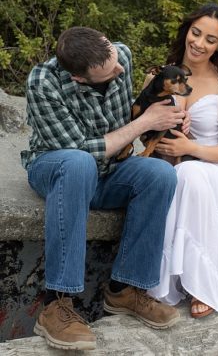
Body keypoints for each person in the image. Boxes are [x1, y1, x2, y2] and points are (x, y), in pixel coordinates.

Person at [22, 27, 184, 351]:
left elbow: (131, 124)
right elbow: (83, 150)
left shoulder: (120, 55)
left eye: (116, 61)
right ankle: (57, 303)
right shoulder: (43, 83)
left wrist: (168, 117)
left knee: (160, 174)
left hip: (110, 170)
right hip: (57, 166)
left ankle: (125, 290)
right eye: (111, 73)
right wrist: (145, 121)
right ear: (81, 79)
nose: (120, 69)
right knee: (79, 164)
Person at [146, 3, 218, 319]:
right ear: (187, 31)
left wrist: (188, 146)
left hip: (213, 169)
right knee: (177, 175)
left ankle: (201, 284)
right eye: (196, 33)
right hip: (168, 165)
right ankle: (161, 280)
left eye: (210, 39)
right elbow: (140, 125)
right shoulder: (159, 76)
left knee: (189, 174)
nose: (199, 43)